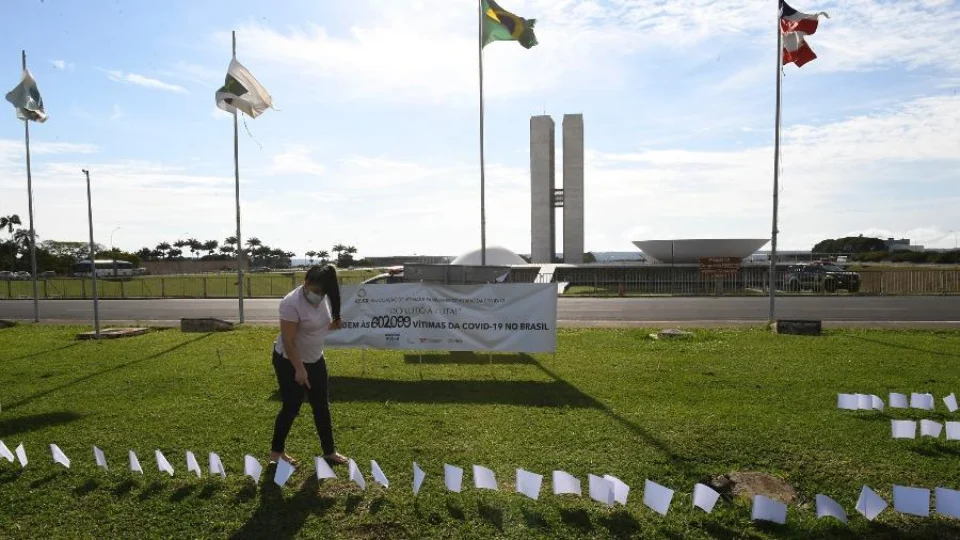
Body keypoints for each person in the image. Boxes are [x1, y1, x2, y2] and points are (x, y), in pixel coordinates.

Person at [270, 264, 348, 466]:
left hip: (315, 359)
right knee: (291, 407)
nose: (318, 295)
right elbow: (289, 341)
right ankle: (276, 453)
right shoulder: (291, 303)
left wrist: (333, 325)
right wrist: (299, 369)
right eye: (315, 291)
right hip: (289, 360)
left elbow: (317, 327)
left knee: (321, 406)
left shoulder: (323, 298)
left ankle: (329, 452)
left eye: (322, 292)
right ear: (305, 283)